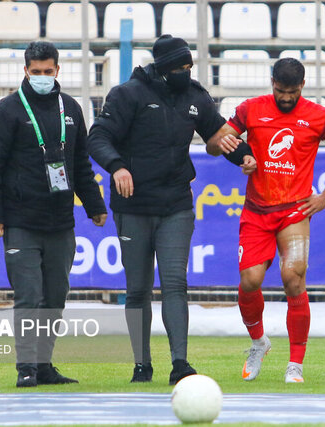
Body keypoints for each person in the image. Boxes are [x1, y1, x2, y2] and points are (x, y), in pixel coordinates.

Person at [87, 34, 236, 385]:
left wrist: (241, 155)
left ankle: (180, 363)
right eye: (181, 67)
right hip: (133, 205)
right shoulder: (128, 95)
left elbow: (217, 135)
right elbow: (98, 137)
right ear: (165, 67)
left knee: (175, 283)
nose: (187, 72)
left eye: (190, 66)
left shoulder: (195, 96)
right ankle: (142, 363)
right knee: (137, 288)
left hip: (176, 204)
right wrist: (117, 166)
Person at [207, 58, 325, 383]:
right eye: (280, 90)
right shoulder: (251, 109)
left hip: (294, 211)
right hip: (257, 210)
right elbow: (214, 144)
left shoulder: (319, 117)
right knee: (250, 281)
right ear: (271, 82)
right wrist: (240, 157)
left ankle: (296, 365)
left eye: (292, 92)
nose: (286, 97)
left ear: (302, 86)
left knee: (293, 280)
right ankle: (259, 342)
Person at [0, 41, 108, 387]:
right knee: (29, 296)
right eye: (35, 72)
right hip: (21, 221)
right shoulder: (6, 111)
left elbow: (81, 164)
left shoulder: (71, 108)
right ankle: (26, 368)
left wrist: (95, 205)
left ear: (58, 70)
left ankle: (45, 364)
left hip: (61, 221)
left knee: (54, 298)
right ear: (25, 71)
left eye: (47, 72)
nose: (41, 77)